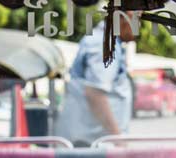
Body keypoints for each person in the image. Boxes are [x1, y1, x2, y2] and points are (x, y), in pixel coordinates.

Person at [57, 14, 139, 147]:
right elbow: (95, 94)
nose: (138, 26)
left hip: (90, 142)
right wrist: (119, 141)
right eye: (137, 18)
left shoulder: (103, 39)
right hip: (92, 145)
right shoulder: (105, 44)